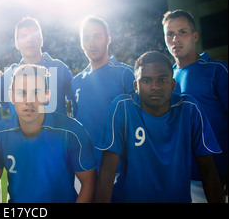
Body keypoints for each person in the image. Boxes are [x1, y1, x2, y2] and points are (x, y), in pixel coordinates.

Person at [95, 51, 223, 203]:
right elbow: (107, 171)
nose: (155, 86)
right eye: (146, 80)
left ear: (173, 84)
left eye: (162, 79)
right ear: (136, 86)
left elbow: (207, 168)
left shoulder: (189, 108)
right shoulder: (122, 107)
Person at [0, 64, 97, 203]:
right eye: (22, 93)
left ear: (47, 96)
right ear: (12, 97)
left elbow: (89, 182)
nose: (28, 101)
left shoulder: (72, 131)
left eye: (36, 92)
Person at [162, 10, 228, 202]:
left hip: (216, 179)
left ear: (195, 36)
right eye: (170, 34)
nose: (175, 39)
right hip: (179, 180)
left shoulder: (217, 70)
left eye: (182, 32)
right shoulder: (165, 80)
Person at [70, 15, 135, 167]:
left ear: (108, 39)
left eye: (97, 36)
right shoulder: (76, 82)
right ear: (81, 43)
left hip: (120, 168)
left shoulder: (126, 74)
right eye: (86, 38)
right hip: (87, 168)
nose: (91, 43)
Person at [3, 16, 73, 116]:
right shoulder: (8, 75)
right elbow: (9, 110)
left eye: (34, 35)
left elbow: (77, 101)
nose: (29, 40)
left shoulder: (59, 68)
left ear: (41, 40)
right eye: (24, 36)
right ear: (17, 44)